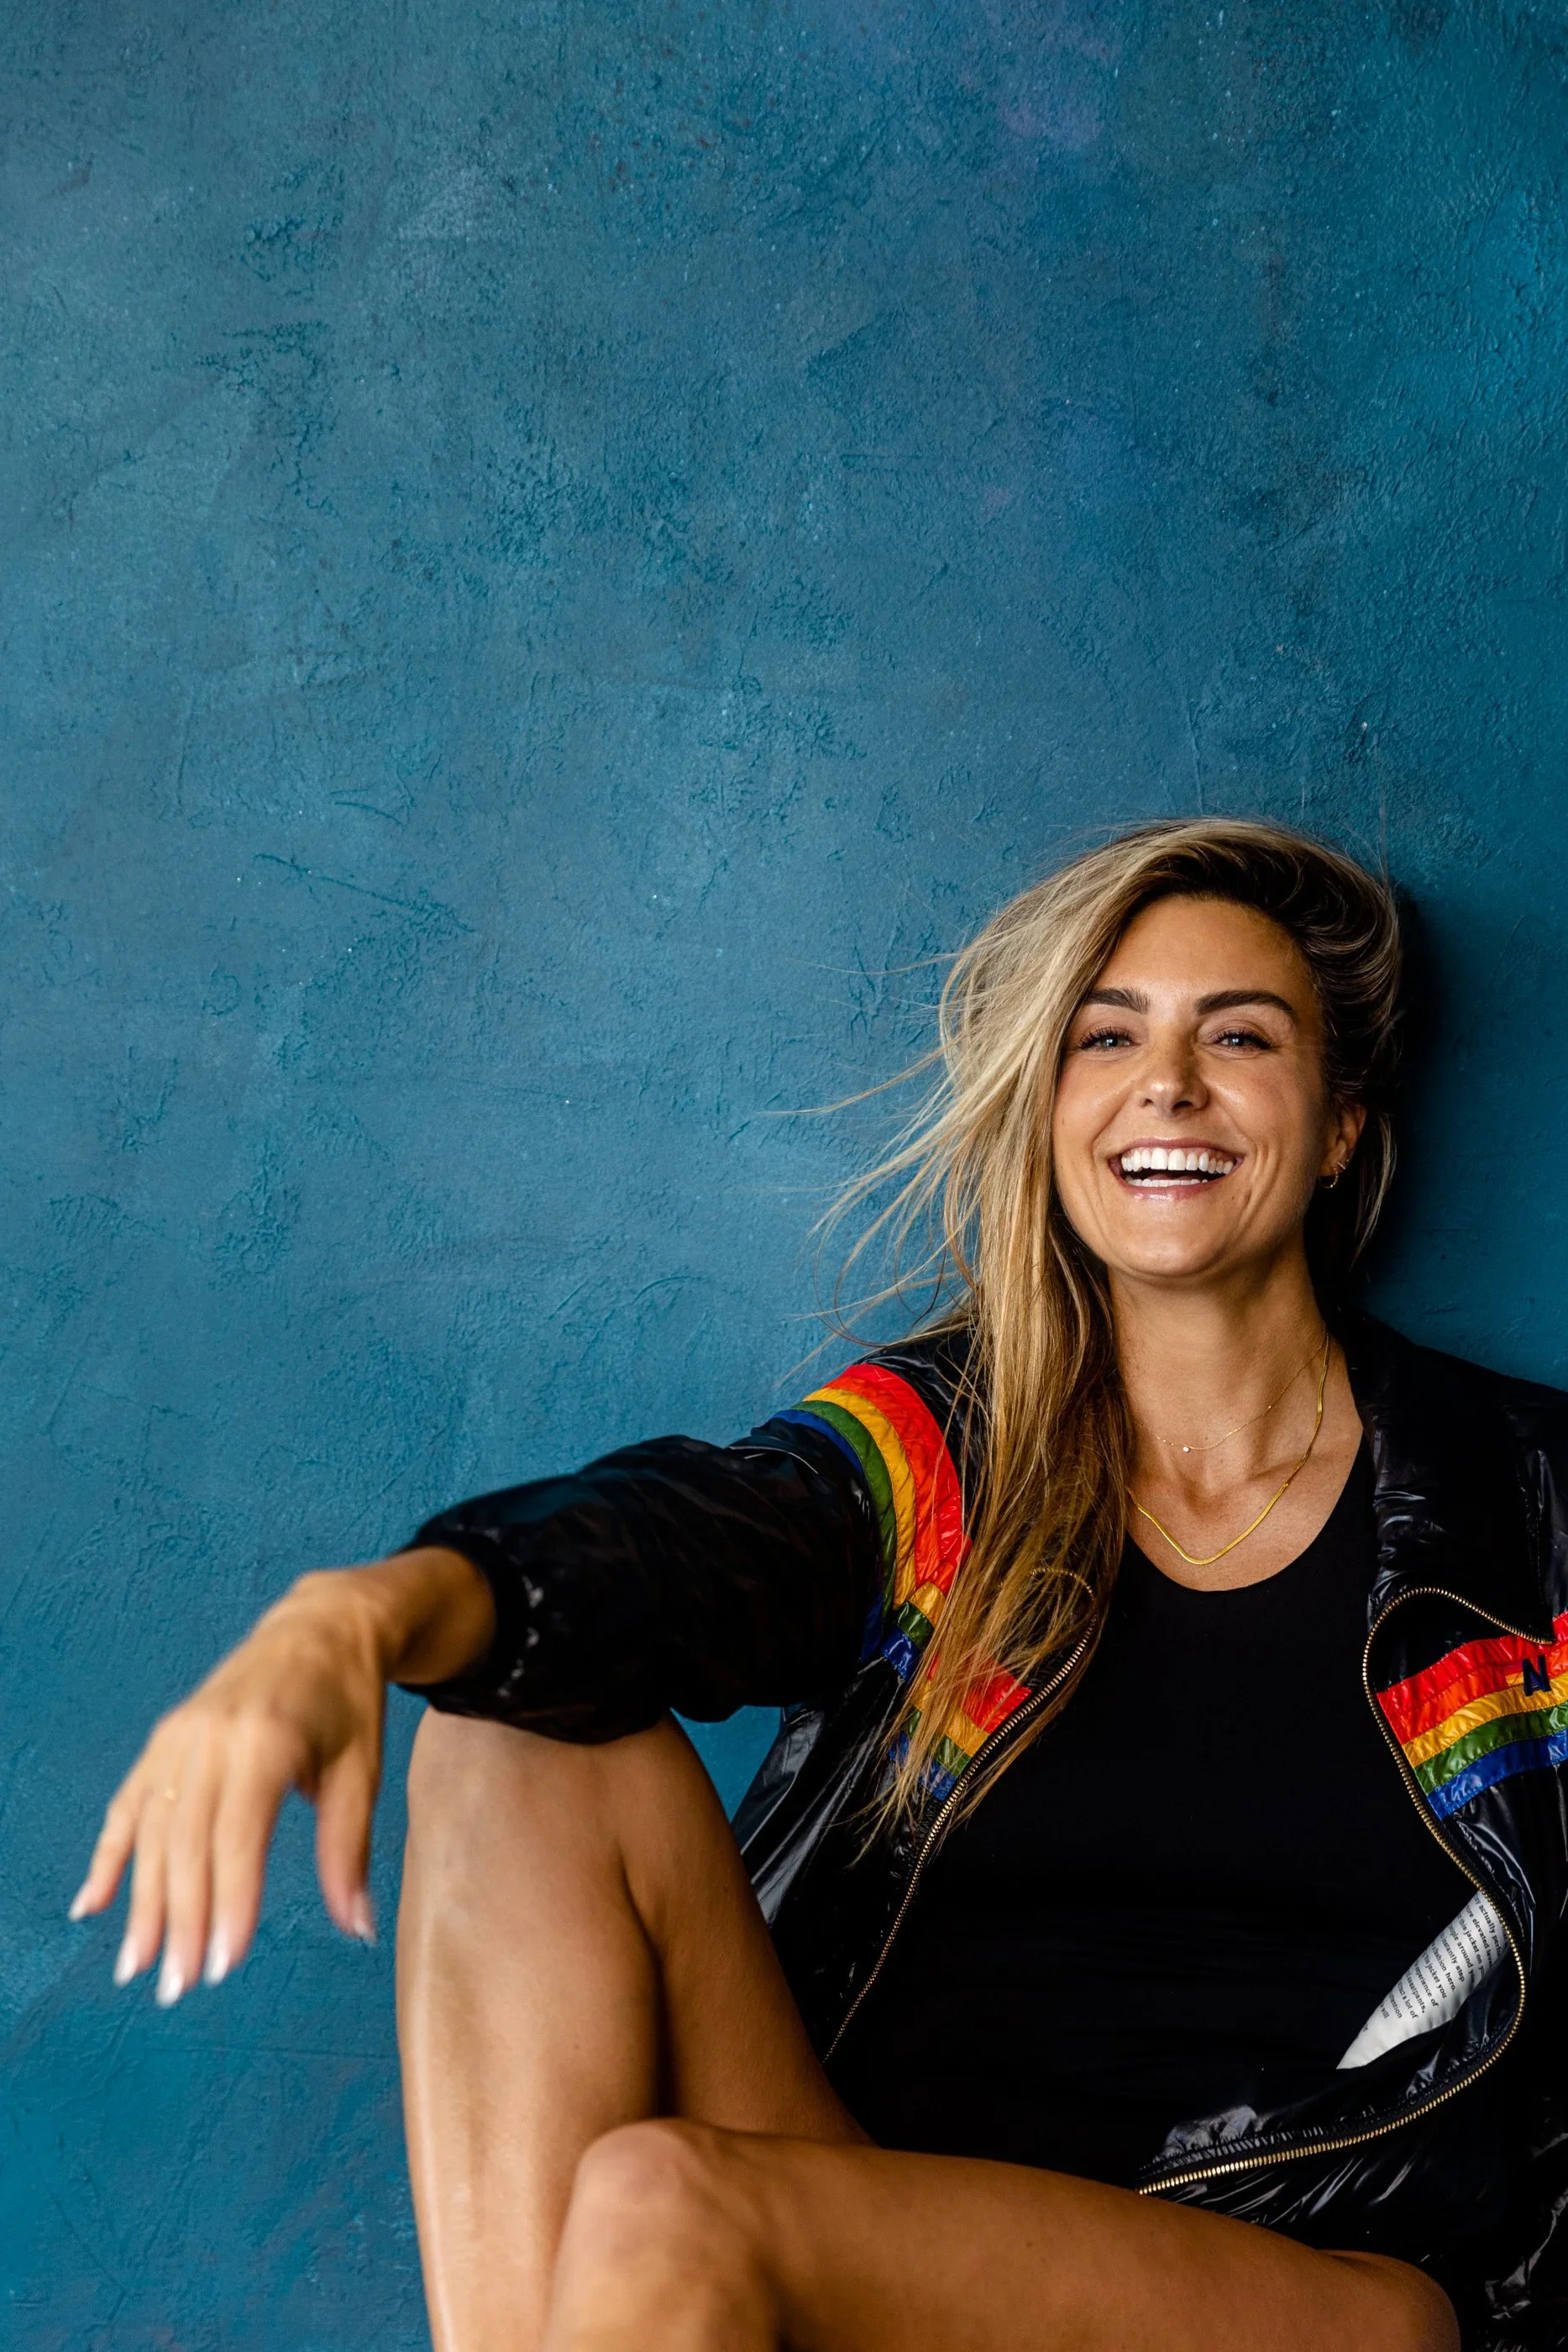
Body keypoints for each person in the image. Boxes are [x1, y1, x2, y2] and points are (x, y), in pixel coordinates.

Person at [71, 818, 1568, 2352]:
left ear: (1336, 1126)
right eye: (1102, 1036)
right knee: (513, 1723)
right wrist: (345, 1620)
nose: (1164, 1085)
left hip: (1298, 2277)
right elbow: (675, 1543)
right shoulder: (944, 1454)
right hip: (872, 2216)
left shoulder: (1522, 1506)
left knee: (663, 2201)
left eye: (1237, 1036)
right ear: (1048, 1112)